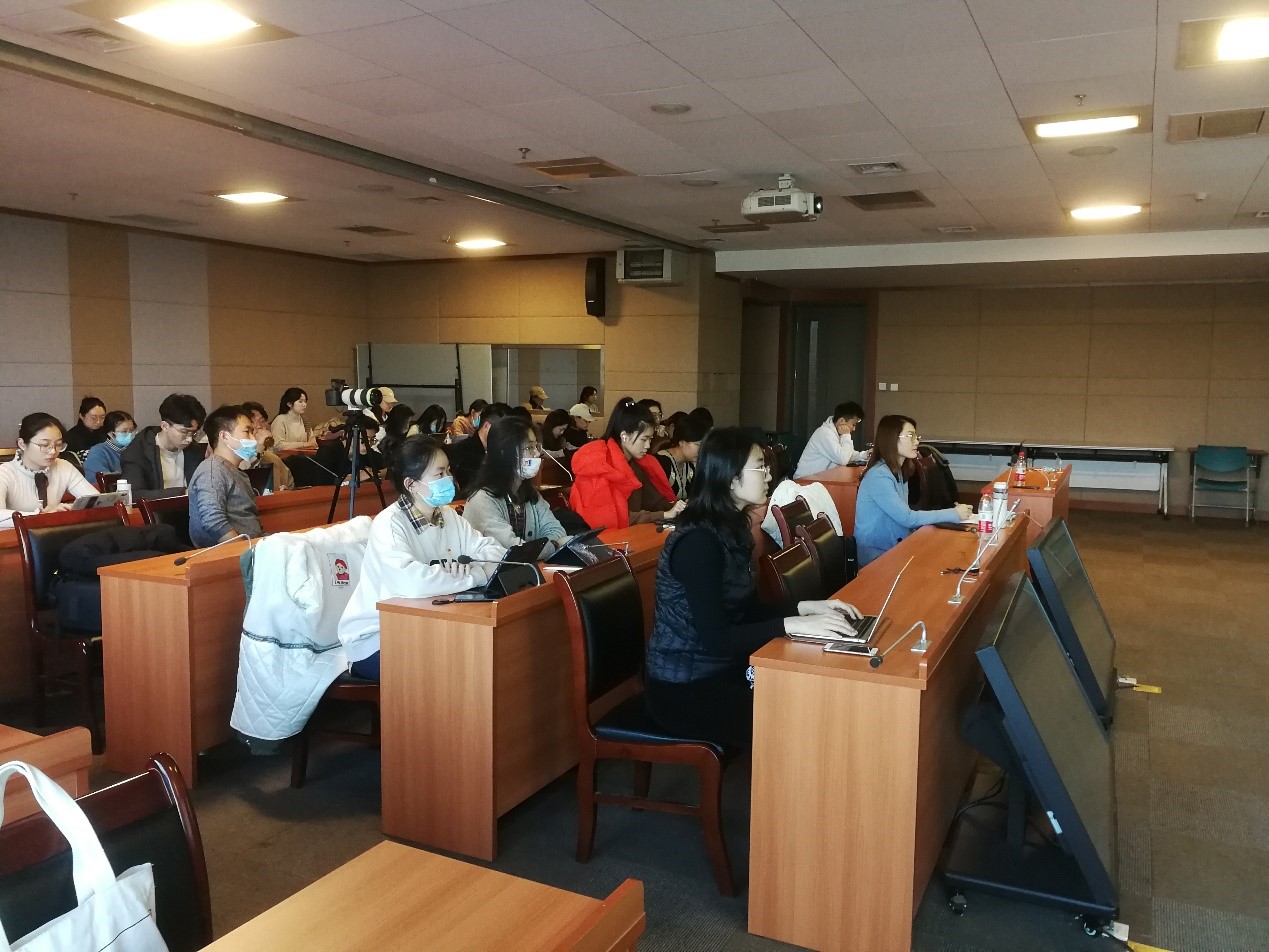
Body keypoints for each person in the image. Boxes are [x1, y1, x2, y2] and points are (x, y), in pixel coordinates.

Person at [644, 428, 862, 748]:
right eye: (760, 467)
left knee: (812, 691)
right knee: (795, 718)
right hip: (684, 687)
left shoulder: (733, 530)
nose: (769, 474)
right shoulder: (698, 543)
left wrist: (807, 609)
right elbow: (718, 639)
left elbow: (744, 610)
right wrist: (791, 624)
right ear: (731, 479)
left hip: (720, 669)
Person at [337, 436, 506, 680]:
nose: (449, 478)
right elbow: (413, 583)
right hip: (378, 636)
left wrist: (464, 572)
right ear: (411, 484)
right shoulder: (389, 524)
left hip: (429, 623)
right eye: (440, 474)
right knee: (455, 665)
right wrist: (476, 574)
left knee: (481, 651)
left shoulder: (448, 516)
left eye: (448, 470)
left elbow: (495, 553)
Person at [855, 415, 973, 566]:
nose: (916, 441)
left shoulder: (899, 471)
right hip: (877, 557)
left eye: (916, 436)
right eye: (910, 436)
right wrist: (953, 514)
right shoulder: (878, 476)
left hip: (896, 548)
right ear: (892, 439)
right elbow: (907, 518)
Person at [569, 398, 685, 528]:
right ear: (624, 436)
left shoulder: (636, 464)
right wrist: (664, 514)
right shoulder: (600, 464)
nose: (648, 445)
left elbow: (654, 501)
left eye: (650, 439)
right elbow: (612, 519)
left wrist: (679, 508)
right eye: (644, 439)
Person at [463, 418, 570, 556]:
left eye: (536, 446)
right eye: (529, 448)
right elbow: (513, 550)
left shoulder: (529, 493)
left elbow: (557, 530)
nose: (537, 453)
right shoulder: (482, 500)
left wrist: (541, 549)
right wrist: (554, 545)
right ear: (504, 453)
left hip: (532, 568)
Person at [0, 413, 98, 528]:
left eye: (58, 445)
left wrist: (74, 509)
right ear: (22, 444)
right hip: (12, 537)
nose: (53, 451)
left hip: (53, 535)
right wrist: (41, 516)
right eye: (45, 445)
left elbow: (96, 501)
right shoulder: (5, 473)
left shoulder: (63, 467)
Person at [187, 405, 265, 548]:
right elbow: (213, 522)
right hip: (231, 553)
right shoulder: (212, 470)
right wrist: (246, 551)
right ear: (224, 436)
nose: (253, 438)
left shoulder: (236, 471)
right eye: (247, 432)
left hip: (252, 546)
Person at [120, 393, 207, 498]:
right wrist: (182, 493)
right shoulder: (137, 452)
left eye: (193, 433)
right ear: (165, 426)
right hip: (158, 508)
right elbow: (134, 494)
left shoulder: (195, 450)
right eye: (184, 432)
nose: (189, 439)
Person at [447, 402, 513, 494]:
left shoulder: (499, 450)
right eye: (504, 430)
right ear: (487, 426)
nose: (507, 436)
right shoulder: (465, 453)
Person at [794, 401, 868, 477]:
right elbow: (843, 459)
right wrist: (846, 435)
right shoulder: (824, 433)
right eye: (853, 424)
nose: (854, 429)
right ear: (841, 421)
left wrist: (865, 455)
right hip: (805, 481)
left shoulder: (836, 432)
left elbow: (848, 454)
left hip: (819, 479)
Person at [242, 401, 294, 492]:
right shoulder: (238, 457)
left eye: (262, 421)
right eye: (252, 422)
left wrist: (286, 490)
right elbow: (243, 474)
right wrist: (258, 446)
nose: (259, 426)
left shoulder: (272, 458)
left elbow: (290, 484)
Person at [656, 413, 706, 501]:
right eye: (698, 445)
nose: (701, 450)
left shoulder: (689, 465)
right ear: (682, 442)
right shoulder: (661, 462)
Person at [82, 410, 136, 485]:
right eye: (124, 431)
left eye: (131, 430)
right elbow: (102, 480)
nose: (129, 434)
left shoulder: (135, 450)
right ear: (111, 434)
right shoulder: (98, 452)